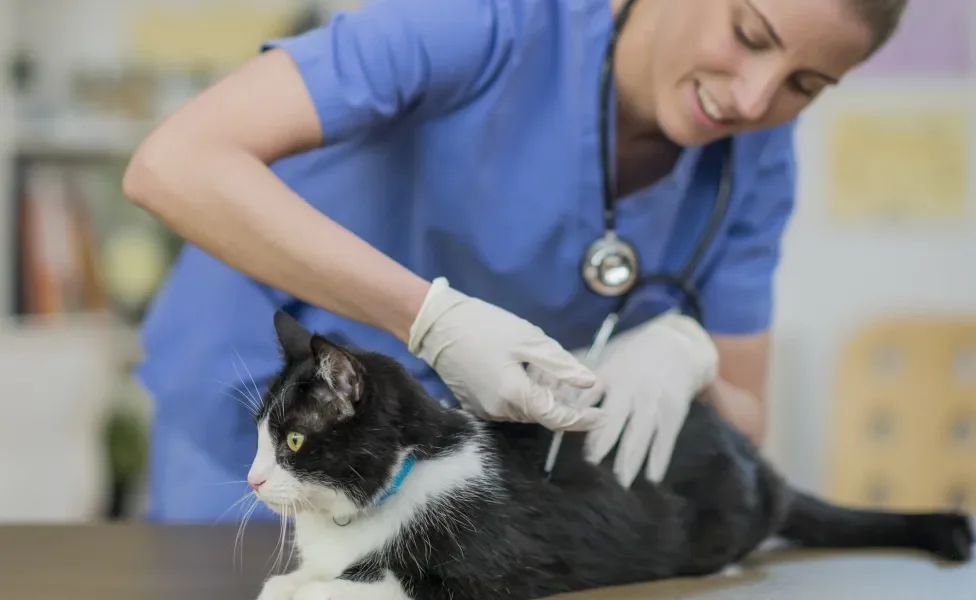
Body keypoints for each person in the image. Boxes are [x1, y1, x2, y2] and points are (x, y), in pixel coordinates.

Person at [122, 0, 906, 523]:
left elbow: (746, 419)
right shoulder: (488, 21)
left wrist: (689, 355)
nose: (753, 97)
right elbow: (174, 164)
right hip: (261, 422)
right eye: (750, 33)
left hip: (430, 476)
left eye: (806, 83)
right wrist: (428, 319)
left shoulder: (756, 164)